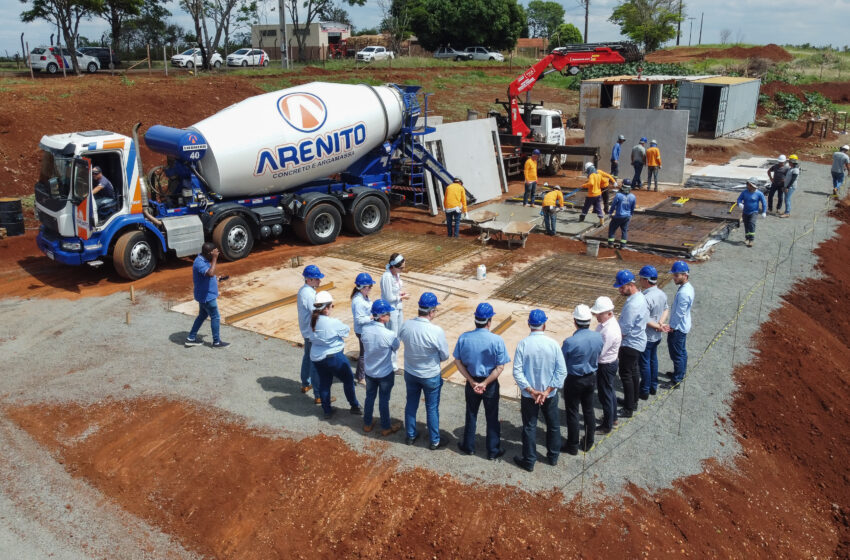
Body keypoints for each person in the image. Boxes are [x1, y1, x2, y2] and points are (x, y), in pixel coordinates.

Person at [453, 303, 511, 460]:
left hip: (471, 382)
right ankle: (493, 450)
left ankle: (468, 446)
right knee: (492, 416)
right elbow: (500, 367)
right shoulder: (497, 340)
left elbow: (457, 361)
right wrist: (485, 383)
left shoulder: (464, 338)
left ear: (475, 319)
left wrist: (471, 381)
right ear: (489, 321)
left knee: (471, 414)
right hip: (490, 383)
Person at [512, 309, 567, 472]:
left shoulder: (523, 344)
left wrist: (532, 391)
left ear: (529, 324)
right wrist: (547, 391)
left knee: (529, 426)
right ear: (545, 325)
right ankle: (553, 456)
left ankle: (529, 460)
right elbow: (561, 371)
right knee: (553, 425)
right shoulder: (553, 344)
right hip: (549, 395)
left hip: (529, 396)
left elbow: (517, 371)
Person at [399, 292, 450, 450]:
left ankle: (410, 435)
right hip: (430, 375)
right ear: (431, 311)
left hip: (411, 373)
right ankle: (434, 440)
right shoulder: (436, 331)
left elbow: (401, 340)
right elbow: (445, 355)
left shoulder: (406, 325)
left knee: (411, 404)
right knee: (432, 407)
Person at [309, 291, 362, 419]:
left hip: (317, 358)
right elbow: (346, 331)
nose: (332, 308)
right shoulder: (332, 322)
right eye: (332, 306)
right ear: (326, 308)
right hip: (334, 357)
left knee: (325, 382)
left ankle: (326, 410)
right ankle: (354, 405)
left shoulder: (311, 321)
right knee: (348, 379)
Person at [561, 304, 603, 455]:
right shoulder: (598, 337)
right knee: (588, 410)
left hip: (574, 379)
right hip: (591, 378)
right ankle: (588, 442)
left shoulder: (570, 342)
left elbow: (562, 361)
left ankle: (572, 444)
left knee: (572, 411)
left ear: (575, 321)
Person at [361, 299, 402, 436]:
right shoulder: (388, 334)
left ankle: (367, 424)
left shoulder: (365, 329)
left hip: (369, 371)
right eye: (388, 314)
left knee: (369, 397)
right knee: (384, 400)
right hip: (384, 373)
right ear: (383, 317)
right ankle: (385, 427)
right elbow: (396, 346)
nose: (390, 316)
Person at [613, 269, 648, 418]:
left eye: (621, 287)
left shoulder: (633, 304)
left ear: (629, 285)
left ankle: (628, 409)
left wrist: (614, 342)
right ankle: (632, 401)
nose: (620, 290)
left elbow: (624, 329)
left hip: (630, 344)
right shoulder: (640, 297)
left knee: (625, 375)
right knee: (633, 372)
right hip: (637, 342)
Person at [185, 242, 229, 348]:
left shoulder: (203, 259)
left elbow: (208, 275)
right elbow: (210, 273)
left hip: (204, 295)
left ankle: (191, 337)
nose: (217, 253)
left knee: (202, 315)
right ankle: (216, 342)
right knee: (215, 317)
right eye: (215, 252)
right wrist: (215, 258)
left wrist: (217, 279)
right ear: (210, 253)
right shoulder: (199, 262)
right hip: (207, 296)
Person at [661, 261, 694, 389]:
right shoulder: (687, 288)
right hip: (683, 326)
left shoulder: (684, 293)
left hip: (678, 328)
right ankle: (680, 373)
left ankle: (677, 381)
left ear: (685, 275)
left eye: (676, 275)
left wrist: (672, 327)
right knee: (681, 352)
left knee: (677, 354)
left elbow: (680, 312)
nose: (674, 278)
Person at [591, 296, 621, 435]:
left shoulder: (609, 331)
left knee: (605, 395)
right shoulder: (605, 325)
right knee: (609, 392)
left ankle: (607, 425)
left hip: (606, 365)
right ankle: (613, 418)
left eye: (599, 313)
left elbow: (600, 353)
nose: (596, 315)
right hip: (608, 364)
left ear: (609, 313)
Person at [637, 266, 669, 399]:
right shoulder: (661, 293)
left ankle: (644, 390)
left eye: (641, 278)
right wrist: (660, 324)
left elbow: (644, 319)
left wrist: (657, 325)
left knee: (644, 364)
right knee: (653, 360)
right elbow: (666, 309)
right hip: (656, 336)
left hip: (647, 337)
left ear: (646, 280)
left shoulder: (646, 298)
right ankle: (653, 387)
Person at [297, 264, 324, 401]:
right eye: (317, 279)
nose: (319, 281)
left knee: (307, 356)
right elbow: (316, 312)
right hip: (311, 332)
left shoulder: (304, 291)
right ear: (309, 280)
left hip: (307, 331)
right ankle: (319, 395)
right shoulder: (308, 294)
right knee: (315, 361)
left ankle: (305, 383)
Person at [380, 253, 409, 370]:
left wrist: (400, 295)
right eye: (401, 268)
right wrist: (401, 297)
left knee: (398, 335)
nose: (402, 270)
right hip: (391, 310)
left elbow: (394, 293)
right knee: (392, 335)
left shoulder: (395, 274)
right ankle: (391, 364)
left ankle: (393, 362)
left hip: (398, 308)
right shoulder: (387, 277)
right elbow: (388, 298)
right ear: (394, 266)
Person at [350, 272, 375, 384]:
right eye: (369, 287)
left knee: (365, 353)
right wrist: (372, 317)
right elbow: (359, 320)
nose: (370, 289)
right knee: (364, 354)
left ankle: (361, 374)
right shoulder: (358, 301)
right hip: (362, 330)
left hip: (365, 329)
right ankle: (361, 377)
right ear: (363, 287)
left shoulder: (363, 297)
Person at [736, 178, 767, 247]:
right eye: (748, 185)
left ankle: (751, 240)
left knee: (751, 224)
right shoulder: (744, 192)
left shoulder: (759, 194)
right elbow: (739, 199)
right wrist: (739, 203)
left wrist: (764, 212)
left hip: (754, 212)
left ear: (754, 186)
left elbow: (764, 203)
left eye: (750, 185)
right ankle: (747, 238)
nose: (748, 186)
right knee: (746, 225)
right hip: (745, 212)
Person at [607, 180, 636, 247]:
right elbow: (632, 207)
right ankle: (623, 245)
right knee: (624, 231)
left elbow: (613, 205)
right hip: (627, 217)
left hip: (618, 216)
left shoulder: (618, 195)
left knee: (612, 229)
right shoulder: (633, 196)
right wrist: (631, 215)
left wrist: (610, 213)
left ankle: (611, 244)